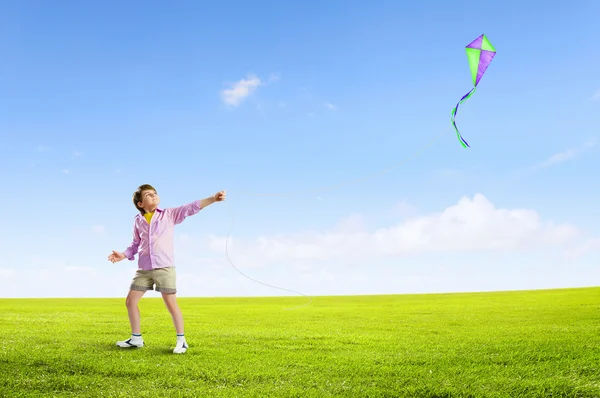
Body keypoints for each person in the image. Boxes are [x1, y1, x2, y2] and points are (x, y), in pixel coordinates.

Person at [108, 184, 226, 354]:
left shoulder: (169, 215)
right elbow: (135, 244)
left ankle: (181, 340)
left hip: (164, 267)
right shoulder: (138, 221)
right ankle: (136, 338)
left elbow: (190, 207)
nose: (154, 196)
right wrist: (123, 255)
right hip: (144, 269)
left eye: (155, 193)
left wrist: (213, 199)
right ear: (140, 203)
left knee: (170, 303)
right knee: (130, 301)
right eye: (149, 195)